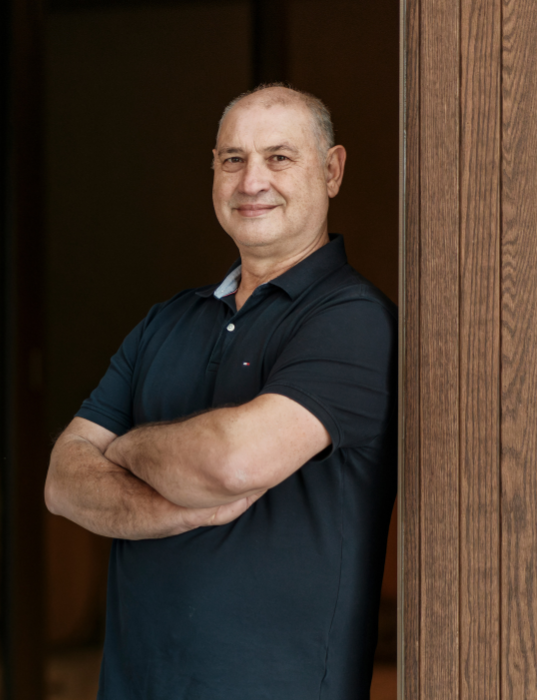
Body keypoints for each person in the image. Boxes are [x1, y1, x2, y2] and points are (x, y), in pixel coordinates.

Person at [44, 84, 397, 699]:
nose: (251, 181)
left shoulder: (354, 320)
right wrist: (177, 505)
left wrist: (122, 450)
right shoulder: (165, 322)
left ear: (332, 170)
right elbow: (61, 483)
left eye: (279, 157)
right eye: (232, 159)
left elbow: (233, 462)